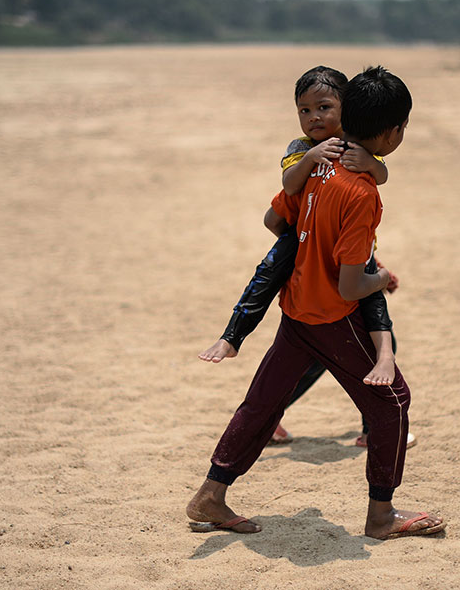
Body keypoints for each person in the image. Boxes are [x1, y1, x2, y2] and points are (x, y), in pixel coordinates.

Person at [187, 66, 444, 540]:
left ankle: (211, 495)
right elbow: (350, 287)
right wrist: (381, 276)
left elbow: (274, 216)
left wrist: (310, 237)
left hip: (296, 306)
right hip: (330, 315)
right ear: (392, 132)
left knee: (263, 403)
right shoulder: (361, 192)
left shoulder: (313, 165)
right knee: (393, 404)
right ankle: (381, 516)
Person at [198, 66, 415, 448]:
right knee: (277, 290)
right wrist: (312, 160)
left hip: (340, 256)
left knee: (320, 354)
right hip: (308, 246)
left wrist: (373, 165)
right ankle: (235, 338)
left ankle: (350, 425)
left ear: (348, 111)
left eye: (324, 107)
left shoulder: (354, 150)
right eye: (304, 110)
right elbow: (285, 194)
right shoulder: (303, 150)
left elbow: (378, 177)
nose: (314, 117)